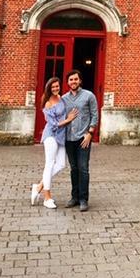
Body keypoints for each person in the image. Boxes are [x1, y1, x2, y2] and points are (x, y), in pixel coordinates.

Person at [31, 77, 79, 209]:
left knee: (61, 164)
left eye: (57, 86)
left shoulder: (61, 98)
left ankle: (39, 186)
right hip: (51, 135)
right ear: (48, 88)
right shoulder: (47, 103)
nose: (55, 89)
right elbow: (54, 124)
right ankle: (47, 197)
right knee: (49, 164)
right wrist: (68, 120)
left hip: (61, 136)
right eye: (53, 87)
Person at [62, 70, 99, 212]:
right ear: (68, 82)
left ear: (80, 81)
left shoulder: (89, 96)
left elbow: (94, 115)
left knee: (83, 168)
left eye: (76, 79)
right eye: (71, 80)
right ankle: (74, 197)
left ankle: (84, 199)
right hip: (69, 138)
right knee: (74, 168)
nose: (73, 82)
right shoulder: (64, 99)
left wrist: (90, 133)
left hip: (84, 138)